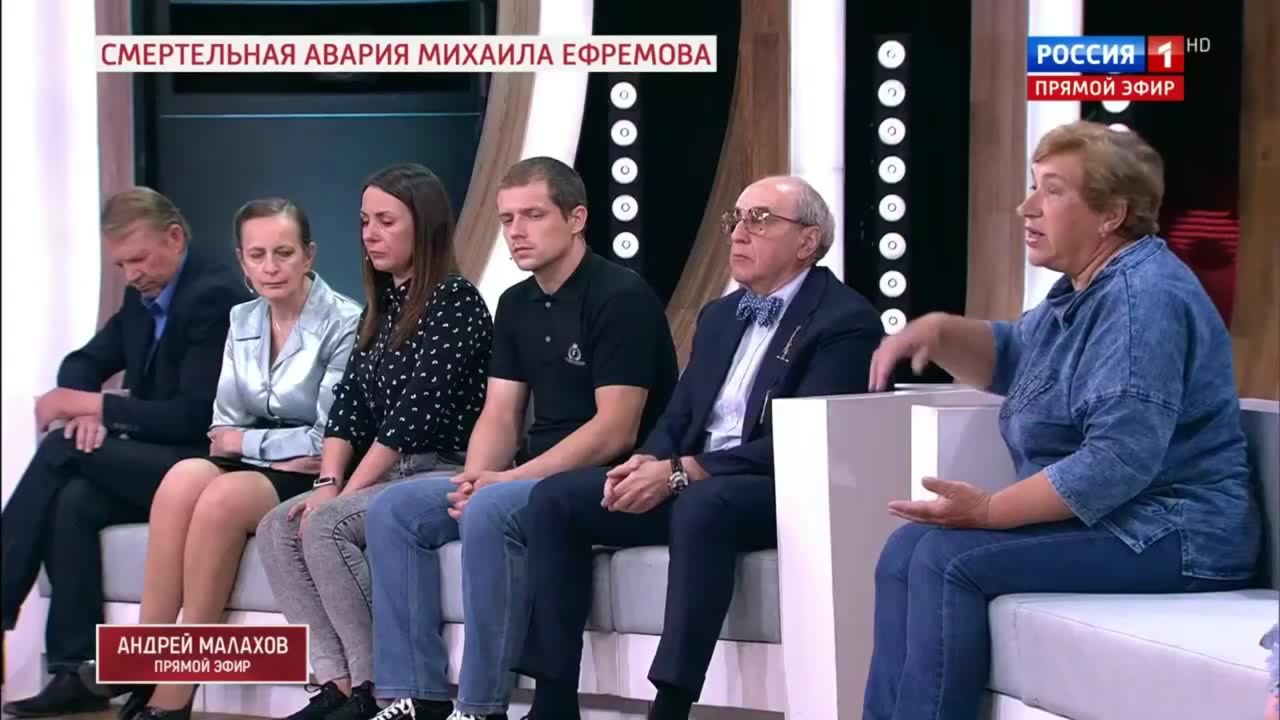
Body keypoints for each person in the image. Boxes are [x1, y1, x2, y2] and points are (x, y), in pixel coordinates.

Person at [861, 121, 1259, 720]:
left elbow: (1116, 462)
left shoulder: (1142, 299)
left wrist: (990, 511)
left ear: (1111, 214)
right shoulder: (1083, 291)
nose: (1026, 208)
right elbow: (1018, 355)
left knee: (946, 559)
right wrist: (938, 331)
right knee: (904, 549)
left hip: (1177, 533)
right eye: (1033, 186)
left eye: (1051, 190)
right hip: (1122, 520)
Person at [515, 175, 883, 720]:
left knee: (703, 505)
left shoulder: (845, 322)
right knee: (555, 500)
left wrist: (684, 471)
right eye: (735, 219)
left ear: (807, 241)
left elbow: (801, 442)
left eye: (760, 220)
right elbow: (682, 414)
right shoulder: (719, 315)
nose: (738, 233)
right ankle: (552, 701)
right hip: (692, 479)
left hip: (776, 487)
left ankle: (671, 703)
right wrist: (646, 461)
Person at [362, 157, 679, 720]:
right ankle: (416, 696)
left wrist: (503, 483)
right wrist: (473, 478)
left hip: (609, 478)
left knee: (492, 509)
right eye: (507, 219)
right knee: (395, 510)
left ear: (576, 218)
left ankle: (480, 707)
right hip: (531, 474)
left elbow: (615, 429)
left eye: (533, 215)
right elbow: (501, 413)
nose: (516, 232)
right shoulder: (514, 303)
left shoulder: (620, 297)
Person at [0, 187, 249, 718]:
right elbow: (83, 361)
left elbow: (196, 417)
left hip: (203, 465)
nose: (131, 274)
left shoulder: (214, 296)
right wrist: (86, 410)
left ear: (174, 238)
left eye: (138, 259)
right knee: (74, 499)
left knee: (61, 450)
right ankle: (77, 670)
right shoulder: (142, 298)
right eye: (120, 265)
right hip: (155, 461)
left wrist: (94, 408)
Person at [256, 163, 492, 720]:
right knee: (277, 528)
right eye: (365, 221)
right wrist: (327, 482)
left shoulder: (457, 302)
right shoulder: (381, 307)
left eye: (387, 221)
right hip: (388, 470)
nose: (370, 234)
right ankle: (335, 684)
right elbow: (349, 408)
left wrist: (339, 498)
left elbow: (410, 420)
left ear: (424, 226)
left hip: (441, 468)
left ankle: (376, 689)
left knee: (326, 524)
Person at [120, 198, 363, 720]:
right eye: (257, 255)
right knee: (181, 478)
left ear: (308, 254)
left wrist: (245, 444)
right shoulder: (242, 317)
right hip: (270, 458)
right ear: (242, 261)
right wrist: (246, 443)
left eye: (283, 253)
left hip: (318, 471)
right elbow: (220, 427)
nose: (270, 267)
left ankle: (178, 687)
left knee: (222, 498)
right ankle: (145, 661)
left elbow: (324, 437)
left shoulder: (345, 321)